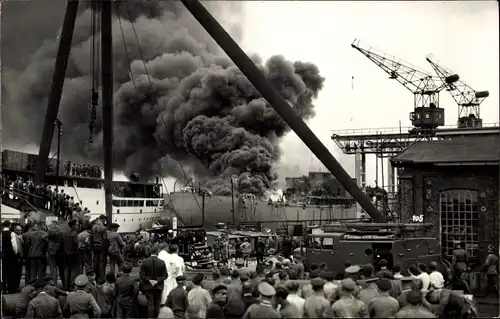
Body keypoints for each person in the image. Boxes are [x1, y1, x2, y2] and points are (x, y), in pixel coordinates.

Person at [139, 245, 168, 318]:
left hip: (148, 286)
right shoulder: (162, 262)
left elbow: (141, 275)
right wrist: (157, 280)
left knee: (150, 304)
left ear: (150, 252)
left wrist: (149, 279)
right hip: (159, 286)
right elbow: (165, 275)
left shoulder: (145, 262)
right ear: (157, 252)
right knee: (157, 305)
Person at [63, 219, 80, 291]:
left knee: (67, 270)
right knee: (74, 270)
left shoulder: (65, 233)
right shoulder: (74, 233)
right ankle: (72, 285)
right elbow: (77, 243)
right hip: (73, 253)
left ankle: (66, 285)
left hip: (66, 253)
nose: (78, 226)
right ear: (73, 226)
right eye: (76, 224)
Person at [91, 215, 108, 283]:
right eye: (104, 220)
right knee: (102, 263)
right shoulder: (103, 228)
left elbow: (91, 237)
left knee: (95, 262)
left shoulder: (93, 227)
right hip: (101, 247)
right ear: (103, 219)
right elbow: (105, 239)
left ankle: (96, 276)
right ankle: (101, 278)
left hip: (95, 247)